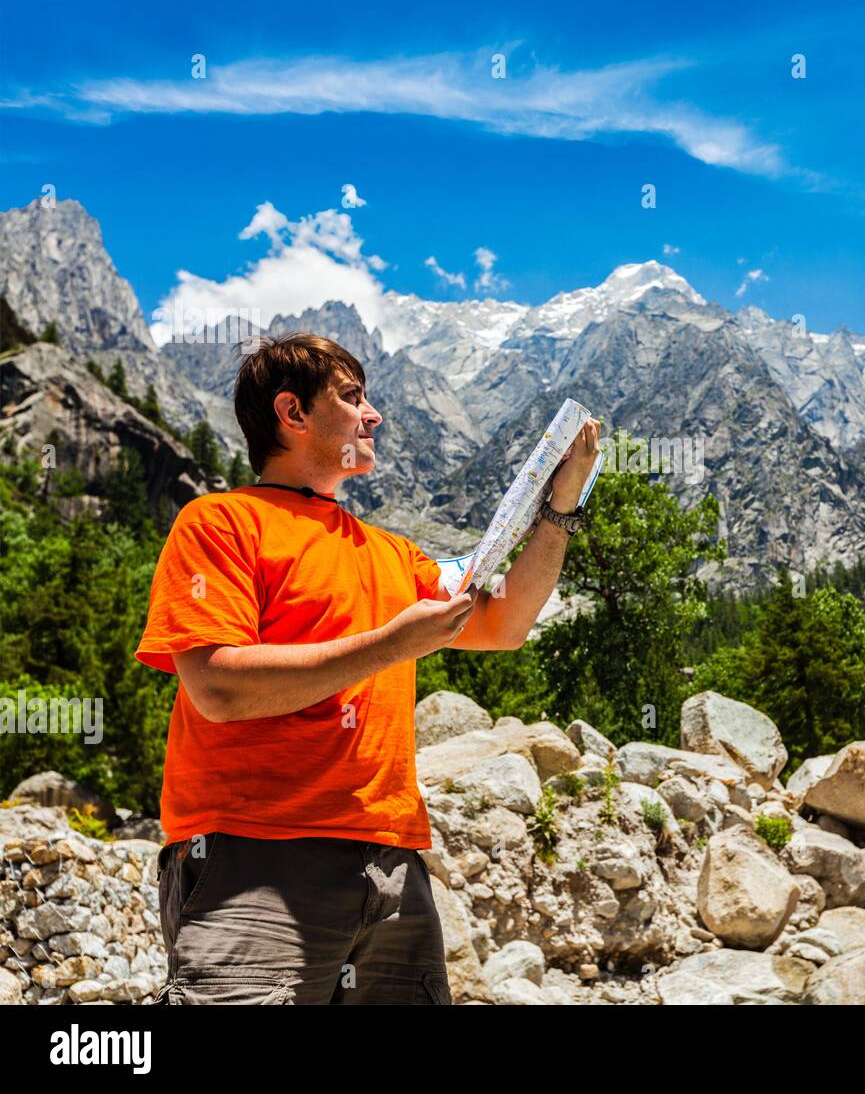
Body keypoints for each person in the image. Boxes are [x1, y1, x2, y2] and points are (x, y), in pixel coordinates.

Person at [135, 331, 600, 1004]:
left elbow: (503, 624)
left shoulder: (390, 553)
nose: (374, 415)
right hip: (252, 857)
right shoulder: (220, 523)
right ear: (292, 414)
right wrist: (388, 645)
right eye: (352, 398)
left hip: (392, 867)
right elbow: (217, 686)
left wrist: (559, 508)